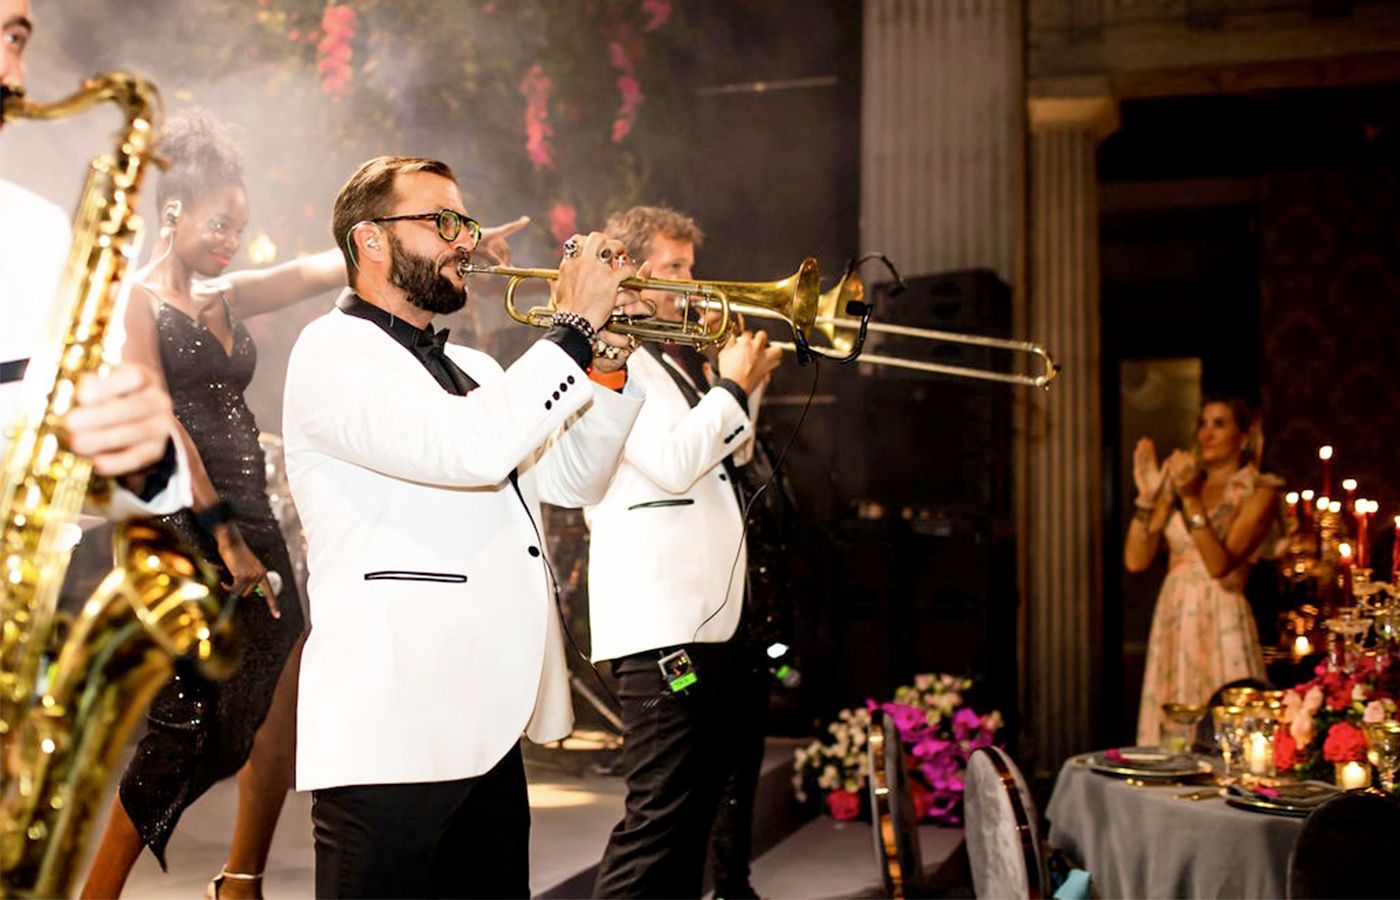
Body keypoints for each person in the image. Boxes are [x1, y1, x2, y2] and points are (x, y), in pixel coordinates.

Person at [285, 155, 646, 898]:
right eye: (441, 222)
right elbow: (469, 450)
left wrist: (606, 359)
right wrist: (574, 326)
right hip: (392, 725)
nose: (465, 241)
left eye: (466, 223)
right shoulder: (330, 352)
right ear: (371, 241)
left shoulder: (480, 369)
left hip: (486, 727)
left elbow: (575, 480)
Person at [584, 205, 783, 898]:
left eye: (690, 267)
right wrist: (730, 385)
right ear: (633, 273)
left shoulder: (673, 359)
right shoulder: (614, 358)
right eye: (674, 268)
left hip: (706, 619)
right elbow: (672, 461)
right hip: (661, 624)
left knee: (693, 822)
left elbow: (733, 457)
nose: (692, 282)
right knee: (658, 825)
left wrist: (741, 390)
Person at [1, 0, 189, 520]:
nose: (10, 74)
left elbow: (75, 469)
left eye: (14, 39)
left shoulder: (39, 229)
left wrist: (136, 455)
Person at [1126, 396, 1282, 745]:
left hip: (1222, 612)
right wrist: (1147, 498)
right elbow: (1136, 559)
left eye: (1219, 424)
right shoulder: (1179, 486)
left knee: (1230, 731)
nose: (1206, 434)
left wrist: (1191, 498)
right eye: (1202, 424)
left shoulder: (1258, 492)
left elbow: (1219, 564)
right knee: (1171, 735)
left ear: (1244, 437)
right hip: (1176, 615)